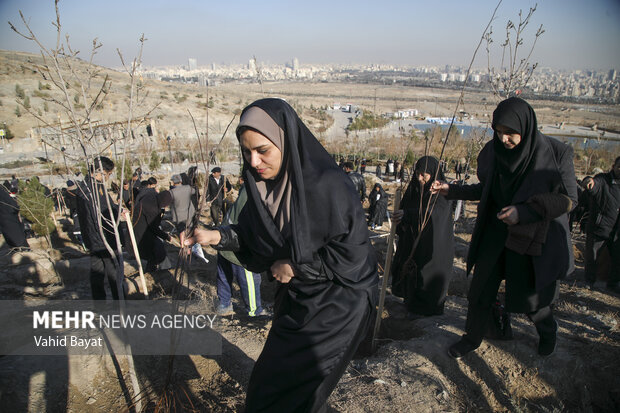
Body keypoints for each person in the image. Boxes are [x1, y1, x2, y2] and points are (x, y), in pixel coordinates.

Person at [183, 98, 378, 412]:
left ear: (286, 141)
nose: (254, 161)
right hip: (296, 300)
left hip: (338, 306)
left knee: (296, 396)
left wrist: (297, 266)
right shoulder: (262, 187)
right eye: (246, 152)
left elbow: (354, 259)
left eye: (263, 150)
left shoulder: (329, 187)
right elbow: (251, 235)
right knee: (267, 385)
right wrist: (214, 235)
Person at [432, 97, 577, 358]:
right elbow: (485, 189)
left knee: (531, 298)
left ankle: (547, 330)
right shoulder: (493, 152)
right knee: (480, 291)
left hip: (530, 236)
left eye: (510, 133)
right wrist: (450, 190)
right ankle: (472, 337)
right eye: (498, 132)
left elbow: (568, 200)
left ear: (526, 127)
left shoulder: (555, 155)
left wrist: (524, 212)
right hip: (495, 233)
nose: (503, 139)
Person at [392, 156, 454, 317]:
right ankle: (410, 302)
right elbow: (404, 209)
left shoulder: (441, 193)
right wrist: (401, 218)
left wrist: (409, 215)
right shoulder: (413, 189)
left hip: (432, 244)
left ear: (433, 174)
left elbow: (435, 215)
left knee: (427, 276)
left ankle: (427, 311)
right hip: (412, 241)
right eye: (417, 173)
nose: (420, 178)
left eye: (424, 175)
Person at [216, 176, 269, 317]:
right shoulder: (260, 193)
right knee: (249, 277)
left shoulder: (248, 187)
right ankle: (254, 311)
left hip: (222, 236)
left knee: (224, 275)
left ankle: (223, 305)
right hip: (238, 242)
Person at [75, 156, 124, 300]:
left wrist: (117, 208)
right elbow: (104, 212)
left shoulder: (84, 187)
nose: (108, 178)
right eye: (108, 174)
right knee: (114, 271)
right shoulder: (95, 189)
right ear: (101, 171)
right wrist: (117, 214)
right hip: (104, 238)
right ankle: (120, 303)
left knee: (97, 272)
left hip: (92, 237)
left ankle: (99, 303)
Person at [581, 156, 620, 293]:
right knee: (593, 256)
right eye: (619, 167)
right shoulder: (604, 180)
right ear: (613, 166)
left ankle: (613, 283)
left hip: (617, 231)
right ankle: (590, 281)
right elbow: (593, 184)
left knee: (616, 258)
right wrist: (588, 181)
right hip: (600, 227)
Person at [132, 181, 172, 272]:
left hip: (146, 230)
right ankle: (157, 269)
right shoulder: (151, 208)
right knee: (157, 248)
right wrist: (166, 236)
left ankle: (152, 268)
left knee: (154, 250)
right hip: (142, 232)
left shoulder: (153, 200)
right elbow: (153, 227)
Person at [0, 183, 29, 249]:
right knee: (18, 235)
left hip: (4, 218)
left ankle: (17, 248)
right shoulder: (3, 193)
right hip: (10, 216)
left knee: (11, 236)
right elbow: (14, 205)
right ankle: (23, 248)